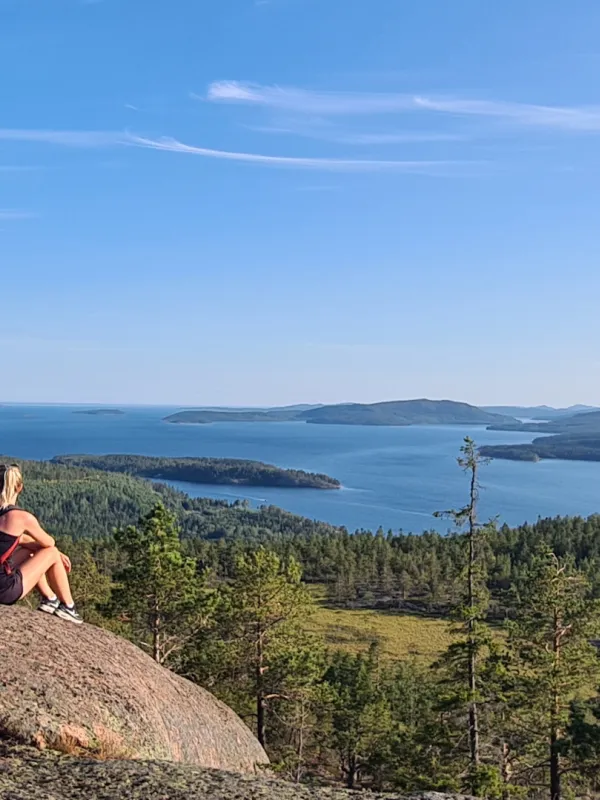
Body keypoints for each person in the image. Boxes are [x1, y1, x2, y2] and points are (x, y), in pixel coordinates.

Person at [0, 464, 82, 623]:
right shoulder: (21, 517)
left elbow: (20, 540)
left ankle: (50, 599)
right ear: (19, 488)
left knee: (29, 551)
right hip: (4, 590)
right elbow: (49, 543)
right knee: (50, 552)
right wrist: (56, 554)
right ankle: (68, 606)